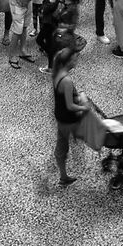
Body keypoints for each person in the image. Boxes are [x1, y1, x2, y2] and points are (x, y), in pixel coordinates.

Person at [51, 46, 87, 185]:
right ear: (68, 62)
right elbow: (70, 106)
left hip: (60, 116)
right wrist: (84, 107)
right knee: (63, 146)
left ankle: (63, 176)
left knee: (62, 143)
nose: (77, 60)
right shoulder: (66, 80)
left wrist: (76, 95)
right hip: (68, 119)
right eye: (75, 58)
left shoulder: (57, 73)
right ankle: (63, 176)